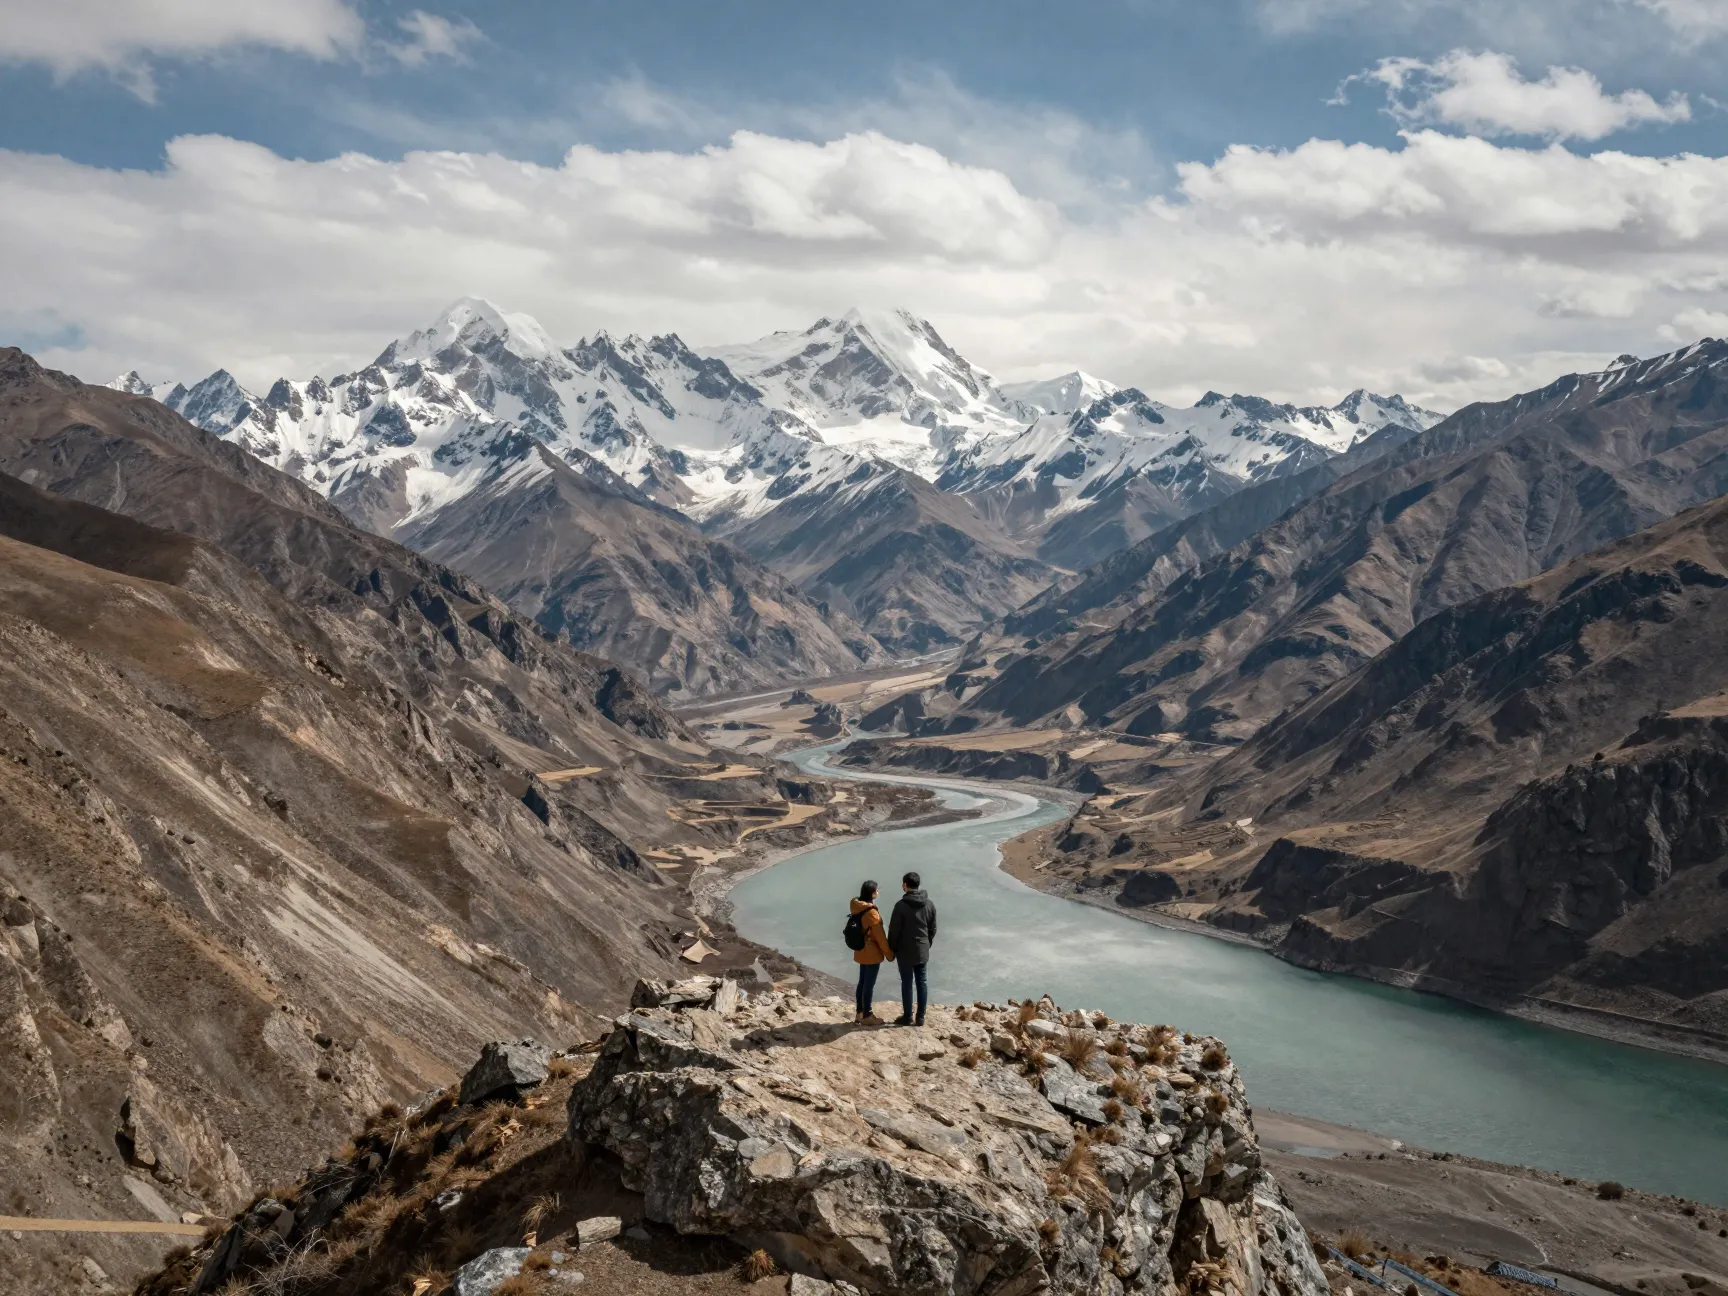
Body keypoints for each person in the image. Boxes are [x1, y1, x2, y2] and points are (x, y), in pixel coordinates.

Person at [887, 870, 937, 1027]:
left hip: (904, 950)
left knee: (907, 983)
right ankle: (920, 1017)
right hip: (922, 949)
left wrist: (892, 949)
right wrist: (926, 943)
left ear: (905, 885)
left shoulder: (901, 906)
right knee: (922, 982)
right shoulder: (929, 904)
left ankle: (907, 1016)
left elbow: (894, 930)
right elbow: (933, 928)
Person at [850, 880, 893, 1025]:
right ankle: (867, 1014)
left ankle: (859, 1013)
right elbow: (880, 937)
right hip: (872, 952)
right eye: (877, 890)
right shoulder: (872, 913)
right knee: (869, 984)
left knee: (862, 982)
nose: (878, 892)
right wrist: (889, 954)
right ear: (873, 894)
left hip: (860, 948)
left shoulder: (856, 907)